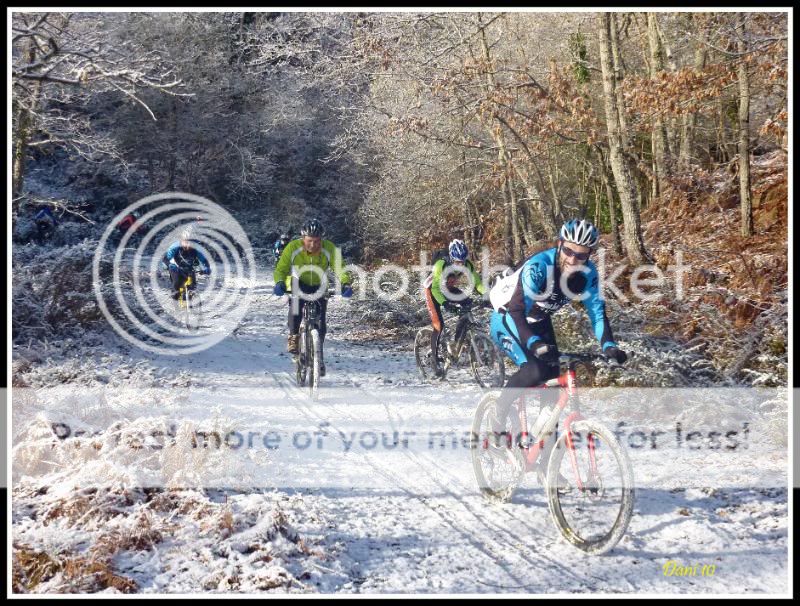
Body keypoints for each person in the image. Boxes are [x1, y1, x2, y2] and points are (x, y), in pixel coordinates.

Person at [487, 219, 628, 480]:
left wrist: (609, 347)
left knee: (554, 391)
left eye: (581, 255)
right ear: (560, 245)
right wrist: (533, 344)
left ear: (589, 255)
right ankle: (498, 417)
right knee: (534, 370)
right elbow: (517, 311)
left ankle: (545, 464)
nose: (574, 259)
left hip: (538, 321)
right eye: (569, 251)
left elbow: (597, 314)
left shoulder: (588, 275)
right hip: (507, 316)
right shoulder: (540, 267)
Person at [273, 219, 352, 377]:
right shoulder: (293, 247)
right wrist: (280, 282)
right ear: (303, 239)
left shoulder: (329, 248)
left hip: (318, 283)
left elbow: (340, 267)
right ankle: (294, 336)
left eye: (317, 241)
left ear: (322, 239)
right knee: (295, 307)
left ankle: (318, 357)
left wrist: (345, 283)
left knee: (321, 320)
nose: (313, 244)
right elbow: (281, 268)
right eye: (309, 241)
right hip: (298, 281)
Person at [424, 239, 487, 377]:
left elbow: (478, 284)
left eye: (463, 261)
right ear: (452, 259)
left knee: (466, 305)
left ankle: (455, 345)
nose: (461, 264)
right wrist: (446, 304)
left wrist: (488, 295)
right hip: (432, 291)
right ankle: (434, 362)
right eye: (457, 262)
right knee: (438, 325)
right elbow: (435, 289)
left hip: (448, 288)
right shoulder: (441, 264)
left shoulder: (468, 265)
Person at [160, 229, 211, 300]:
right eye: (187, 242)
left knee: (192, 287)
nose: (189, 245)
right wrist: (170, 265)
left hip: (189, 269)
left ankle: (190, 302)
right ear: (182, 240)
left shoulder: (196, 248)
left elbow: (204, 260)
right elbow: (165, 258)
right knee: (177, 286)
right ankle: (176, 301)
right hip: (175, 268)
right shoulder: (175, 247)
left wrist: (207, 268)